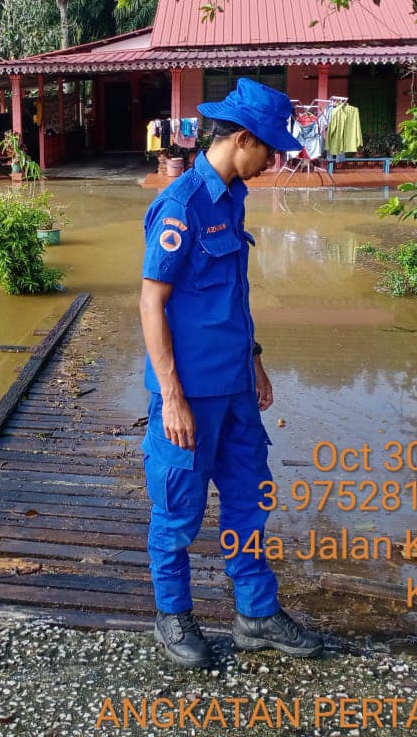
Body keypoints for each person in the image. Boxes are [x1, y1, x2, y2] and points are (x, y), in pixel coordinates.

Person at [138, 77, 323, 668]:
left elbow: (231, 295)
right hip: (189, 396)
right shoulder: (181, 206)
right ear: (242, 140)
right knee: (178, 513)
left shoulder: (232, 196)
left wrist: (256, 359)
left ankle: (256, 615)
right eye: (268, 149)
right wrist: (171, 395)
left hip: (237, 390)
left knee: (249, 502)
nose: (272, 161)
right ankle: (174, 616)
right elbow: (151, 303)